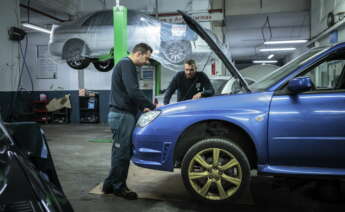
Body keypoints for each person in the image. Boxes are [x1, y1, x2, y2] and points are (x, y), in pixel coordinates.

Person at [103, 43, 156, 200]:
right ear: (138, 54)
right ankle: (120, 188)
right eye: (146, 58)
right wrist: (151, 106)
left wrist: (141, 109)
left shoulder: (125, 65)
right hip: (122, 116)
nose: (147, 62)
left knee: (118, 152)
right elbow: (133, 91)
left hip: (122, 115)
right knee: (123, 154)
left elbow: (128, 93)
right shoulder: (127, 65)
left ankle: (109, 184)